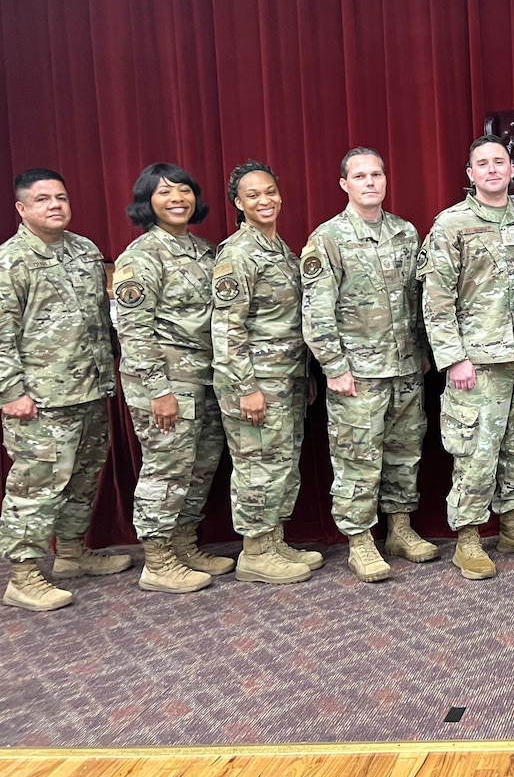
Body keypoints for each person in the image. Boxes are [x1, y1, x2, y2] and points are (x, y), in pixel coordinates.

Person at [421, 135, 514, 581]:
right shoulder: (451, 225)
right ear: (470, 174)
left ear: (512, 168)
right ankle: (468, 538)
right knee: (476, 451)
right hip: (477, 362)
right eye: (482, 163)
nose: (492, 169)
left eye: (499, 161)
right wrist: (453, 358)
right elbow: (436, 299)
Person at [303, 148, 434, 584]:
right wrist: (334, 365)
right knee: (357, 459)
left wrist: (424, 351)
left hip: (405, 367)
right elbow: (317, 312)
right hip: (357, 372)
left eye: (377, 173)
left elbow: (418, 301)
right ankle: (360, 541)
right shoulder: (328, 239)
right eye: (360, 176)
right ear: (344, 184)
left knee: (404, 453)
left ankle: (399, 530)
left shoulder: (404, 232)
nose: (370, 182)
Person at [0, 170, 128, 611]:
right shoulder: (11, 261)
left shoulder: (85, 250)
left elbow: (100, 316)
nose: (54, 205)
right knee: (35, 485)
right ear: (22, 209)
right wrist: (11, 392)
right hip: (39, 399)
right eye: (42, 199)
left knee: (82, 476)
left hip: (90, 388)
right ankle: (23, 575)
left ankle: (72, 553)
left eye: (60, 196)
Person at [113, 163, 230, 594]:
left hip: (205, 378)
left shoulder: (205, 251)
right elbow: (133, 329)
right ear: (147, 203)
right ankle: (158, 560)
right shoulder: (141, 257)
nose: (177, 198)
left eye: (184, 190)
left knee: (199, 467)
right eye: (164, 192)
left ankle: (184, 543)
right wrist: (158, 391)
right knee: (167, 469)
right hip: (165, 381)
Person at [213, 160, 319, 584]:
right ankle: (255, 551)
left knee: (280, 463)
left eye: (270, 191)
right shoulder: (239, 253)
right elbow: (226, 327)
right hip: (255, 381)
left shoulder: (279, 249)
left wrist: (304, 373)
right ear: (238, 203)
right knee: (257, 466)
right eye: (253, 195)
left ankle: (272, 539)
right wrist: (246, 387)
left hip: (285, 378)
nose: (264, 200)